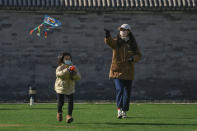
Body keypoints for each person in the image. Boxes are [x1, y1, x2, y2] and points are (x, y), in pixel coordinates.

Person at [104, 24, 142, 119]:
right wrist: (107, 36)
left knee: (127, 93)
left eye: (124, 30)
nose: (122, 31)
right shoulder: (116, 42)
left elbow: (139, 55)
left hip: (129, 72)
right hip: (117, 71)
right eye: (121, 30)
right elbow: (110, 42)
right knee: (119, 90)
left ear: (128, 31)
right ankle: (119, 110)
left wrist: (133, 58)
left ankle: (124, 110)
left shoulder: (133, 44)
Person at [54, 52, 81, 123]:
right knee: (61, 102)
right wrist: (67, 70)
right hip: (61, 87)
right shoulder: (60, 67)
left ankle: (69, 116)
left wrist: (74, 74)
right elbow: (58, 74)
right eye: (66, 59)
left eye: (69, 59)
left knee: (70, 102)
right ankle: (59, 113)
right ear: (62, 59)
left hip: (70, 87)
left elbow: (78, 77)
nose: (68, 60)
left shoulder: (74, 67)